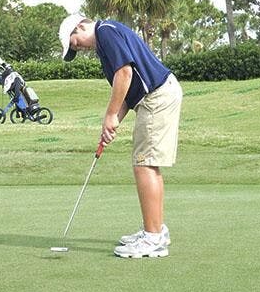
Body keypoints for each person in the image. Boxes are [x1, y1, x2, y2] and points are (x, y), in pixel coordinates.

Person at [58, 14, 183, 258]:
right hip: (155, 96)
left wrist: (110, 115)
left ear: (80, 26)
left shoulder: (105, 31)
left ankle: (153, 238)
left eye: (75, 42)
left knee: (144, 164)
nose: (79, 48)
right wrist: (112, 123)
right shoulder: (107, 38)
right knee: (146, 163)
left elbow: (124, 73)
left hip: (157, 97)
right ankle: (156, 230)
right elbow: (127, 91)